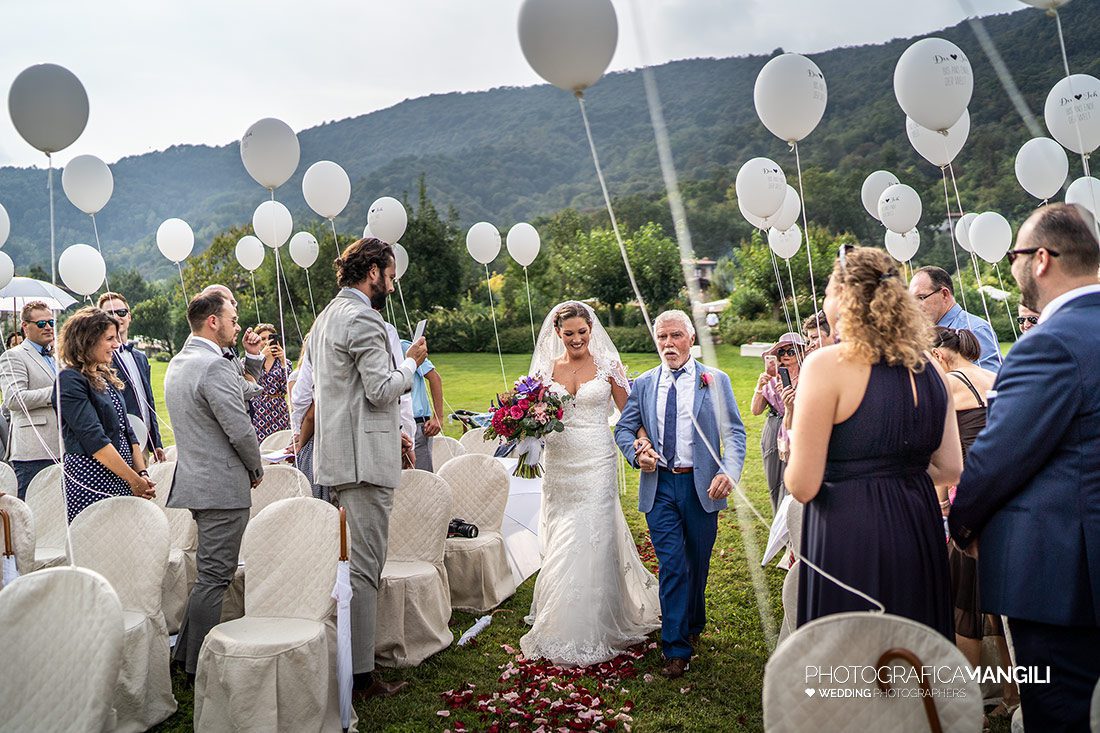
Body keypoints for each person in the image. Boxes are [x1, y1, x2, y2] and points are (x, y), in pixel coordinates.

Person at [950, 203, 1100, 731]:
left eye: (1014, 255)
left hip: (1065, 578)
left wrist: (962, 525)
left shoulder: (1050, 344)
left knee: (1059, 715)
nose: (1012, 267)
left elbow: (998, 458)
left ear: (1040, 259)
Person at [787, 246, 962, 638]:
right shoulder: (931, 367)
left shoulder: (826, 365)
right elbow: (951, 467)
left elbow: (802, 485)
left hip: (850, 531)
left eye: (827, 293)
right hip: (918, 526)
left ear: (843, 297)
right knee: (912, 653)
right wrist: (897, 472)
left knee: (854, 657)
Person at [311, 237, 427, 700]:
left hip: (341, 454)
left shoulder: (325, 316)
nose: (393, 286)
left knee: (355, 564)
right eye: (391, 275)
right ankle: (361, 676)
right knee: (365, 568)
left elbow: (346, 393)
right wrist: (411, 365)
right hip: (364, 462)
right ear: (373, 271)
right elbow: (381, 389)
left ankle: (354, 663)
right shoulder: (363, 317)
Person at [521, 301, 660, 667]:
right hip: (560, 465)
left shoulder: (608, 366)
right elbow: (532, 416)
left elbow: (630, 414)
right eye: (569, 334)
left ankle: (592, 623)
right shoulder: (546, 369)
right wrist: (524, 427)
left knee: (591, 536)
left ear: (591, 330)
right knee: (563, 536)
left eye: (582, 332)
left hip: (597, 461)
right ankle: (559, 617)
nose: (577, 339)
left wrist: (643, 443)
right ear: (557, 333)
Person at [615, 309, 747, 679]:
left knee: (697, 564)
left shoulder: (714, 380)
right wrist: (637, 453)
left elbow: (735, 433)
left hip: (701, 486)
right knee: (673, 565)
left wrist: (728, 471)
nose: (668, 343)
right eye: (662, 337)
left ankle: (692, 621)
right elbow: (624, 429)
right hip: (659, 486)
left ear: (691, 338)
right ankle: (675, 647)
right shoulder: (644, 383)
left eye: (675, 336)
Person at [165, 289, 264, 679]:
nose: (237, 326)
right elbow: (239, 429)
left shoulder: (179, 361)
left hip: (196, 482)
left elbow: (245, 390)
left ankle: (182, 657)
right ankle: (197, 669)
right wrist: (255, 467)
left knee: (208, 576)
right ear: (213, 321)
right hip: (221, 487)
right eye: (233, 320)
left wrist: (253, 361)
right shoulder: (214, 367)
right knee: (215, 578)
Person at [929, 327, 1019, 720]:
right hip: (1002, 494)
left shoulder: (948, 384)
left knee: (963, 604)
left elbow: (943, 452)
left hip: (965, 497)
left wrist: (940, 503)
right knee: (996, 603)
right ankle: (1012, 694)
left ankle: (965, 705)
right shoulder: (993, 376)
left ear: (940, 355)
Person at [58, 307, 156, 523]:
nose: (116, 344)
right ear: (88, 340)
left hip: (124, 477)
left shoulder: (104, 375)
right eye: (110, 338)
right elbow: (94, 439)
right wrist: (133, 479)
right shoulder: (70, 380)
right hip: (92, 479)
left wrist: (142, 473)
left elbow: (127, 431)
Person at [0, 301, 61, 500]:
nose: (49, 327)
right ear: (25, 327)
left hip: (63, 447)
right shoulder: (13, 356)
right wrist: (57, 393)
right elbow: (14, 399)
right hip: (32, 451)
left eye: (51, 322)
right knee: (32, 509)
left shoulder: (57, 357)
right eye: (42, 323)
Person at [98, 292, 165, 462]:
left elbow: (149, 401)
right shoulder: (100, 359)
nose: (116, 317)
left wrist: (156, 442)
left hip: (144, 441)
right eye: (109, 313)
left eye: (121, 312)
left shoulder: (140, 357)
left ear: (129, 316)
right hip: (118, 445)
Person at [909, 265, 1001, 372]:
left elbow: (990, 378)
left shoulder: (975, 329)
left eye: (920, 298)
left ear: (944, 294)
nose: (915, 306)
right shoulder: (922, 333)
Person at [750, 332, 803, 511]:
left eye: (791, 351)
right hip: (774, 428)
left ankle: (794, 517)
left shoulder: (809, 376)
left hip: (798, 427)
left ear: (801, 353)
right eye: (782, 352)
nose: (786, 355)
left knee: (795, 475)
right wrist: (760, 386)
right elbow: (756, 410)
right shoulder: (772, 378)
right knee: (774, 476)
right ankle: (777, 516)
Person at [198, 284, 265, 402]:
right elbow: (239, 390)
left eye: (234, 303)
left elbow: (243, 377)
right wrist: (253, 386)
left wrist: (252, 354)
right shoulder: (202, 346)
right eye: (230, 302)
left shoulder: (225, 341)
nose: (234, 307)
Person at [400, 337, 444, 470]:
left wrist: (438, 417)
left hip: (417, 425)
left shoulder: (404, 346)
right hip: (392, 426)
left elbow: (434, 378)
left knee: (421, 477)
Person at [289, 334, 322, 499]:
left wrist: (300, 442)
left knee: (312, 496)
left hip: (314, 441)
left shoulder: (317, 372)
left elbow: (311, 415)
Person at [248, 323, 291, 442]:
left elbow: (287, 388)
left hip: (278, 410)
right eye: (263, 339)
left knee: (280, 443)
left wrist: (283, 362)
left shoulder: (284, 362)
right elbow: (248, 383)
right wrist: (261, 357)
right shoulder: (250, 362)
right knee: (259, 444)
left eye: (270, 338)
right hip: (257, 409)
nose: (267, 341)